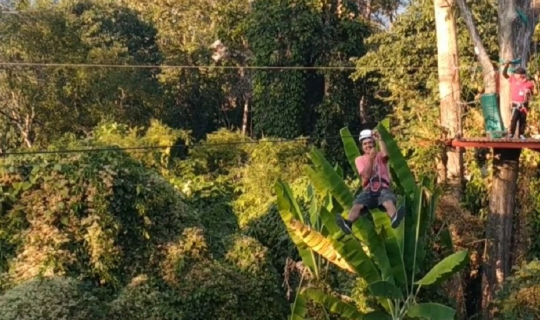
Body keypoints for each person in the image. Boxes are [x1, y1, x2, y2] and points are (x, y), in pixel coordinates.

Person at [336, 129, 405, 234]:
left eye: (370, 143)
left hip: (383, 188)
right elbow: (366, 175)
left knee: (387, 201)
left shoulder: (380, 155)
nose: (367, 146)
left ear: (374, 144)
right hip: (368, 190)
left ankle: (394, 217)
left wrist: (380, 139)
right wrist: (371, 159)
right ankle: (348, 223)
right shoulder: (359, 159)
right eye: (365, 144)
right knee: (357, 205)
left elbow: (386, 155)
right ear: (362, 146)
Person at [502, 63, 537, 139]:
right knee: (514, 119)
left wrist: (529, 92)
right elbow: (504, 74)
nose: (514, 74)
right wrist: (506, 66)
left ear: (521, 75)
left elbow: (533, 94)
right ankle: (511, 133)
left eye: (516, 74)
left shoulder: (529, 83)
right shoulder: (513, 80)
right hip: (515, 104)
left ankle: (521, 134)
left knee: (523, 120)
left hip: (524, 105)